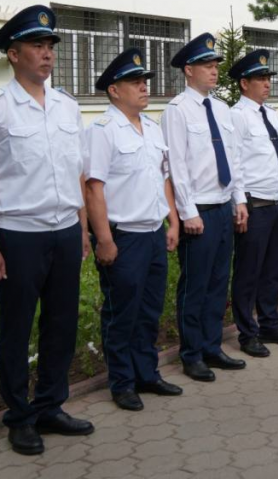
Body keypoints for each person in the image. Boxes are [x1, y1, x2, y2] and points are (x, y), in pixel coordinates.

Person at [0, 5, 94, 455]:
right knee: (16, 329)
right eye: (37, 45)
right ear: (14, 54)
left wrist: (82, 228)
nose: (47, 53)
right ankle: (19, 417)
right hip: (17, 236)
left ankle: (51, 406)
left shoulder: (67, 107)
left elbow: (77, 173)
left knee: (62, 324)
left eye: (50, 45)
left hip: (64, 231)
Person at [84, 49, 183, 412]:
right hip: (123, 236)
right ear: (114, 90)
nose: (144, 87)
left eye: (144, 82)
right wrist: (104, 239)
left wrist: (172, 221)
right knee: (121, 313)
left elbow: (163, 179)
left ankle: (147, 373)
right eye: (135, 82)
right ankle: (122, 382)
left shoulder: (152, 128)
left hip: (153, 232)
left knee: (149, 310)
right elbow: (93, 188)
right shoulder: (102, 131)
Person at [161, 33, 249, 382]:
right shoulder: (177, 110)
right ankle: (192, 353)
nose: (214, 71)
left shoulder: (222, 109)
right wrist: (187, 212)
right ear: (188, 70)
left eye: (215, 66)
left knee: (217, 281)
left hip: (223, 205)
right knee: (194, 285)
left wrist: (239, 199)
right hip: (198, 209)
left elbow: (233, 158)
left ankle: (213, 347)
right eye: (207, 66)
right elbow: (176, 165)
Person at [227, 50, 278, 359]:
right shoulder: (237, 115)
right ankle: (247, 333)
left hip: (273, 203)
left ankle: (270, 324)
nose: (267, 83)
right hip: (253, 204)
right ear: (244, 83)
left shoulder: (270, 114)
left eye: (268, 78)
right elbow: (235, 162)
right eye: (260, 79)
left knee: (272, 270)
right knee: (249, 271)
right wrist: (239, 202)